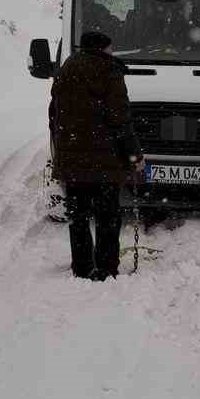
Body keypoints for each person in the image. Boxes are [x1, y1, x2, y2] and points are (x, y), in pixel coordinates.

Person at [48, 29, 142, 279]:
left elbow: (53, 115)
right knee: (108, 217)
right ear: (103, 48)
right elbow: (121, 120)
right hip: (105, 161)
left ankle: (81, 267)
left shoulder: (65, 70)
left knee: (78, 217)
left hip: (72, 160)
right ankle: (106, 266)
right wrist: (134, 156)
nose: (113, 52)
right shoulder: (109, 71)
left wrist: (63, 147)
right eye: (111, 48)